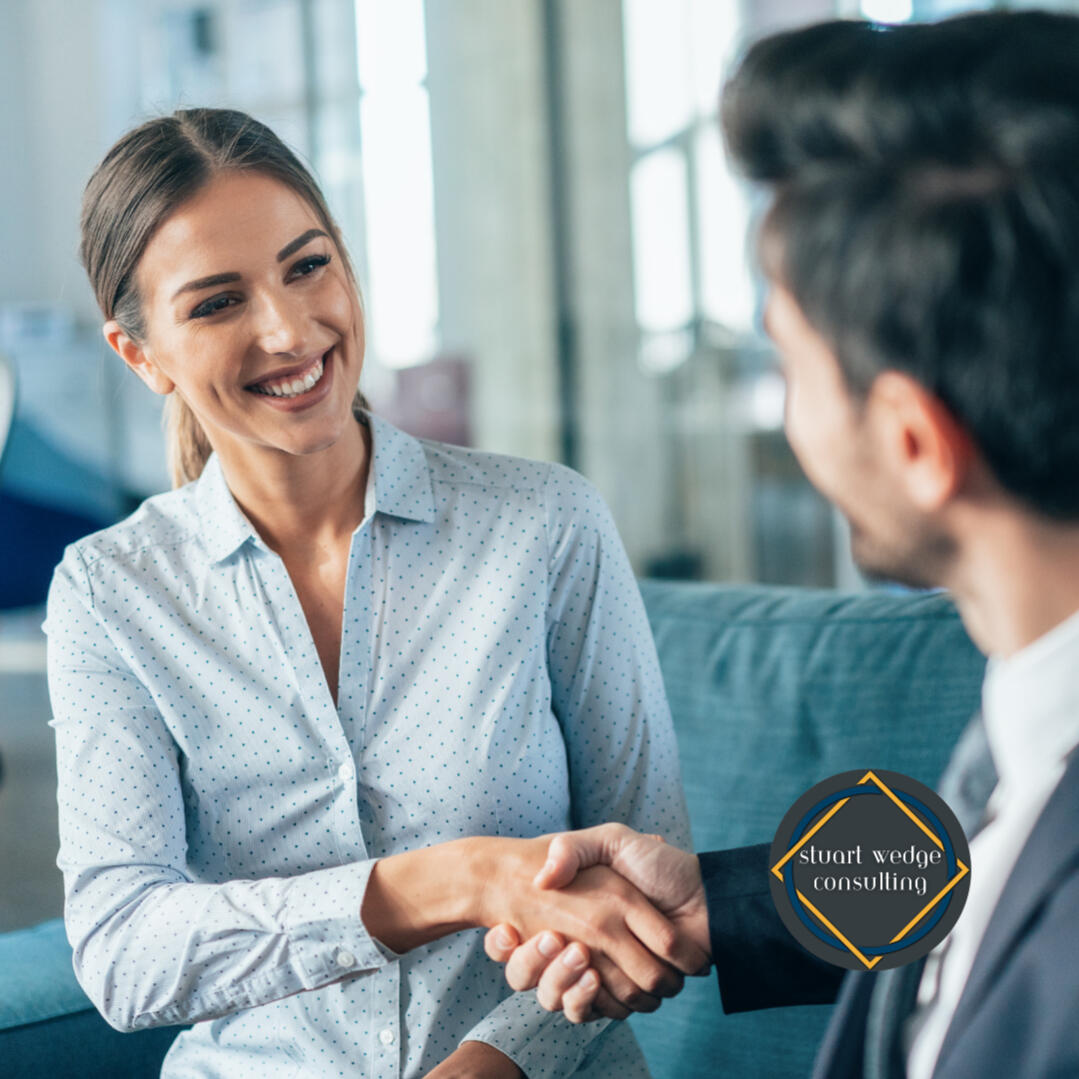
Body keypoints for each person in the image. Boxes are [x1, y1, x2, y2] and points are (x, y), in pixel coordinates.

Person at [45, 108, 709, 1079]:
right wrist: (454, 878)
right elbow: (124, 947)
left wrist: (489, 1062)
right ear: (141, 354)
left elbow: (648, 883)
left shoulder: (543, 523)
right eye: (217, 301)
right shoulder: (111, 594)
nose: (287, 327)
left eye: (306, 265)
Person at [486, 11, 1079, 1078]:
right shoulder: (1041, 699)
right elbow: (1003, 854)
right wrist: (716, 901)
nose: (793, 417)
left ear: (911, 441)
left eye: (791, 365)